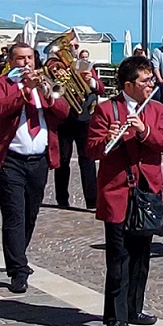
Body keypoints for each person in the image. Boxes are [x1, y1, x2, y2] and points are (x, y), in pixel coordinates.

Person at [86, 56, 163, 326]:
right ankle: (115, 317)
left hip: (147, 192)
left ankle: (135, 308)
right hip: (118, 193)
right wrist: (108, 139)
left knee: (141, 255)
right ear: (128, 85)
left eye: (152, 79)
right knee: (118, 257)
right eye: (145, 81)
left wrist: (143, 131)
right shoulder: (105, 109)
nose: (151, 84)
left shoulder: (157, 108)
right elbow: (91, 150)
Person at [0, 42, 70, 294]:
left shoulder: (44, 84)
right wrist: (23, 91)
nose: (26, 63)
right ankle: (18, 269)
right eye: (20, 59)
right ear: (10, 61)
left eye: (30, 58)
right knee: (14, 214)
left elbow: (63, 113)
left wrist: (47, 93)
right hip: (10, 159)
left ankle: (18, 253)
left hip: (39, 159)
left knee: (30, 213)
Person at [54, 49, 105, 211]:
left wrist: (91, 81)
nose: (73, 50)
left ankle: (92, 200)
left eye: (74, 47)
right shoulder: (58, 67)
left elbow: (101, 88)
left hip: (85, 119)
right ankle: (62, 198)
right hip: (65, 119)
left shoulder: (86, 68)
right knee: (63, 160)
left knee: (87, 160)